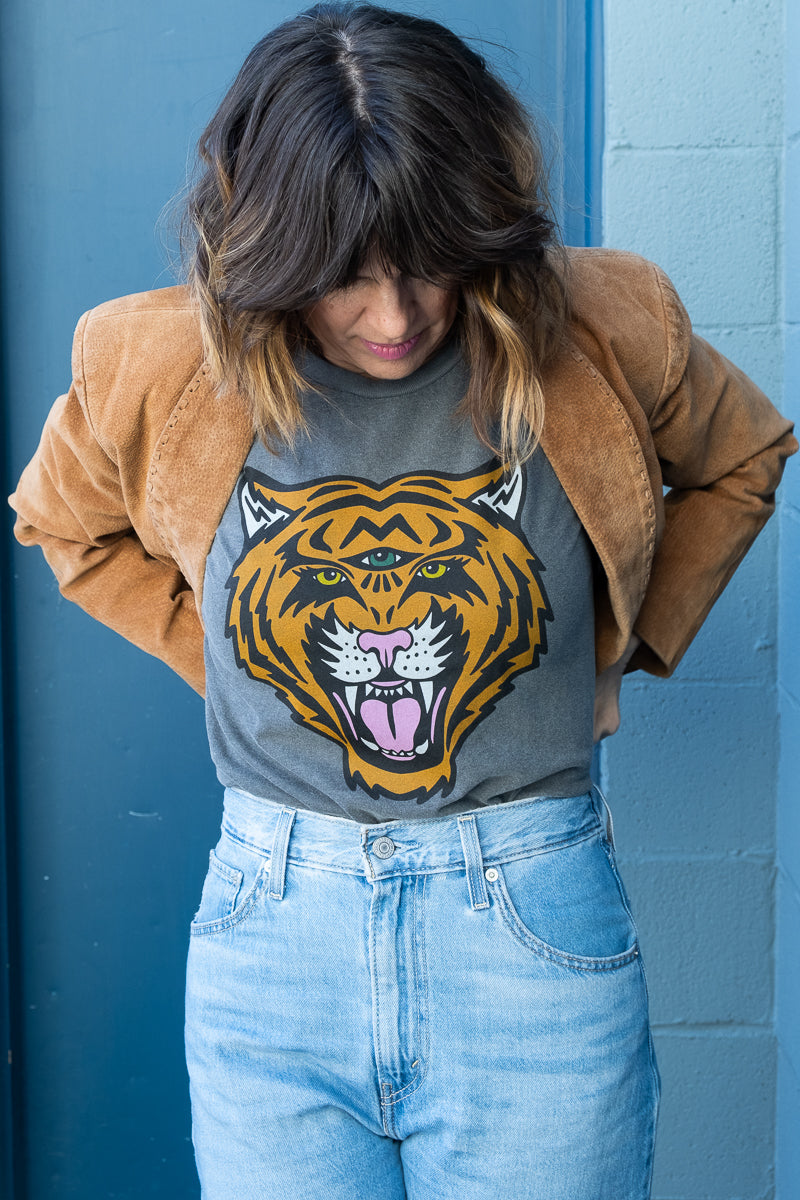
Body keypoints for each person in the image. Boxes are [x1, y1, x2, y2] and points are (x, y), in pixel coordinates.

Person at [9, 4, 796, 1197]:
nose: (394, 316)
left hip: (527, 912)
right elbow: (62, 522)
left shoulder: (605, 322)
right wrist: (236, 661)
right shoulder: (152, 360)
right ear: (265, 242)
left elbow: (743, 456)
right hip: (273, 927)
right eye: (343, 275)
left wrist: (598, 651)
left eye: (431, 258)